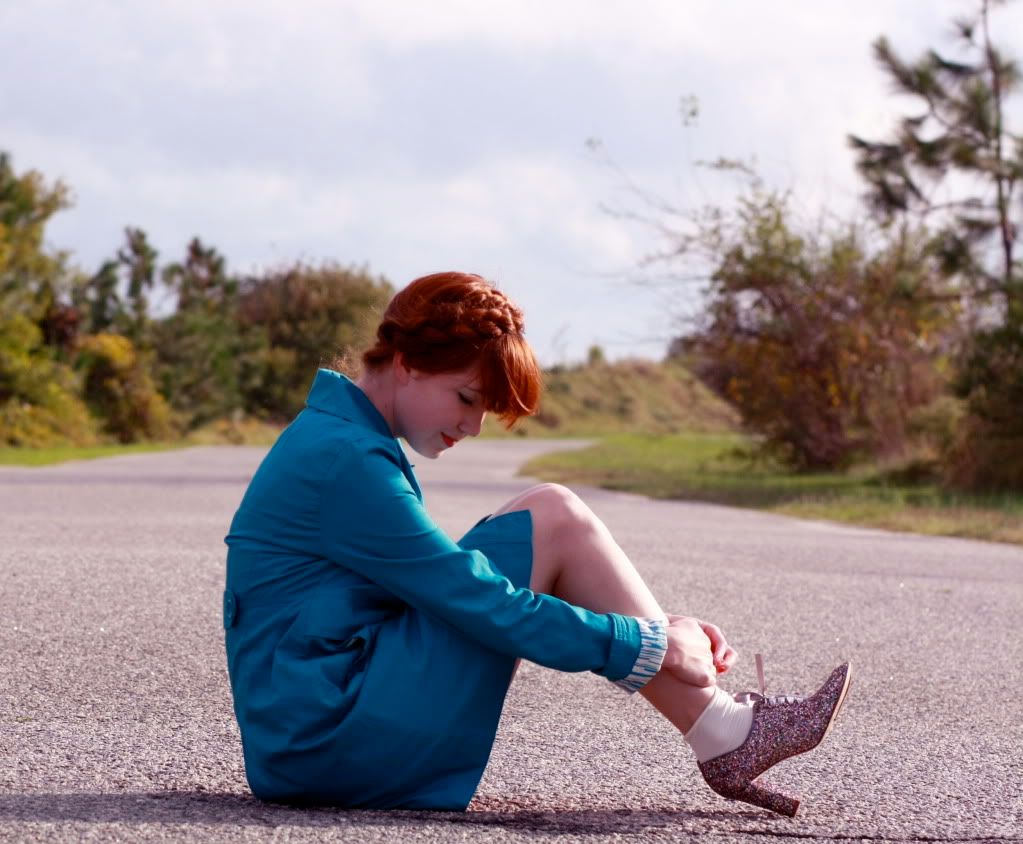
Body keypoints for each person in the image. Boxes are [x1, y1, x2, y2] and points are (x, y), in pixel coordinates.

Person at [223, 271, 850, 817]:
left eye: (485, 410)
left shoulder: (338, 439)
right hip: (330, 743)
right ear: (407, 363)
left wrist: (655, 633)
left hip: (313, 731)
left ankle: (722, 730)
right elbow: (476, 600)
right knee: (550, 515)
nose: (472, 426)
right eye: (467, 398)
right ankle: (722, 728)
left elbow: (454, 588)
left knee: (543, 512)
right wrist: (653, 644)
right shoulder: (346, 461)